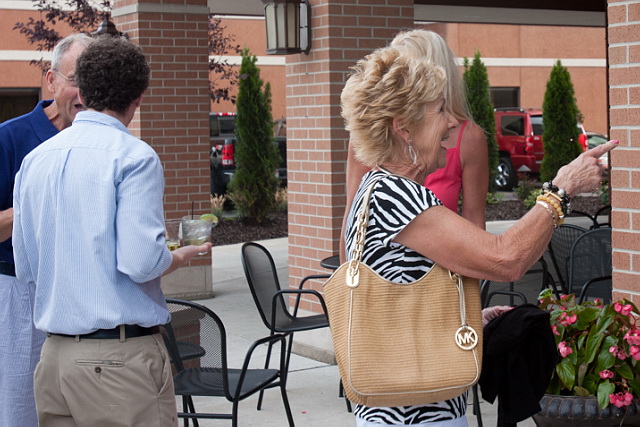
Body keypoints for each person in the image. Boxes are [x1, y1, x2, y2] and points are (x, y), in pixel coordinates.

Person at [340, 44, 616, 426]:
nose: (452, 124)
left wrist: (469, 317)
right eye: (440, 110)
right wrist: (561, 189)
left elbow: (399, 299)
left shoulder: (378, 188)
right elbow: (505, 258)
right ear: (404, 127)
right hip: (416, 416)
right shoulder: (398, 195)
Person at [12, 36, 210, 426]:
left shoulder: (34, 160)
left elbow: (26, 267)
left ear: (82, 92)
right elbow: (141, 262)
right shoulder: (134, 156)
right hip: (120, 363)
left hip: (54, 359)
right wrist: (177, 257)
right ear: (138, 98)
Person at [0, 32, 93, 427]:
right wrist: (36, 204)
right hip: (22, 293)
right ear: (51, 80)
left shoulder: (101, 142)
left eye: (94, 83)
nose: (85, 94)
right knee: (22, 409)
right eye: (76, 80)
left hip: (85, 294)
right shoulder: (10, 137)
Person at [340, 29, 488, 261]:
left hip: (442, 276)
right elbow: (353, 218)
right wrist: (348, 278)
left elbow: (476, 225)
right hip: (383, 278)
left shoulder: (469, 138)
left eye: (405, 67)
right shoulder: (373, 136)